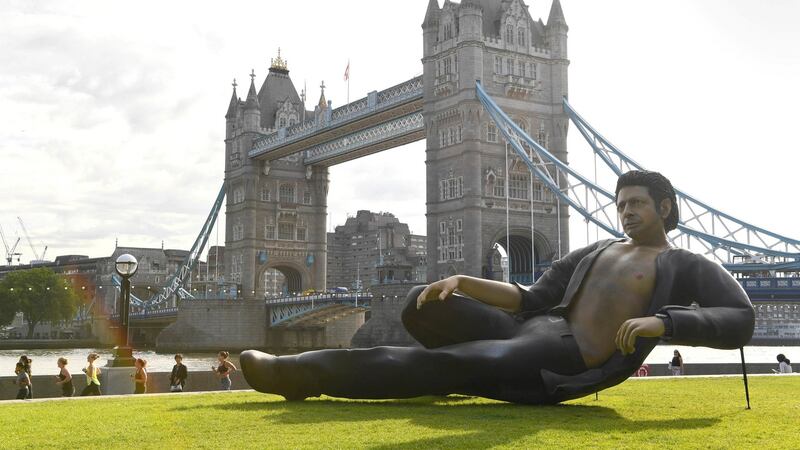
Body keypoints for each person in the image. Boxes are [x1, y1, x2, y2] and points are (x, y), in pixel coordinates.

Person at [239, 170, 755, 404]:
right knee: (424, 305)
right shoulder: (598, 250)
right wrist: (463, 281)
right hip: (531, 329)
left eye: (636, 203)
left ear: (664, 207)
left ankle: (296, 374)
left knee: (438, 362)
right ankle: (465, 367)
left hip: (564, 357)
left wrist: (663, 323)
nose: (626, 212)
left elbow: (740, 318)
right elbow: (530, 299)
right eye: (621, 205)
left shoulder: (684, 263)